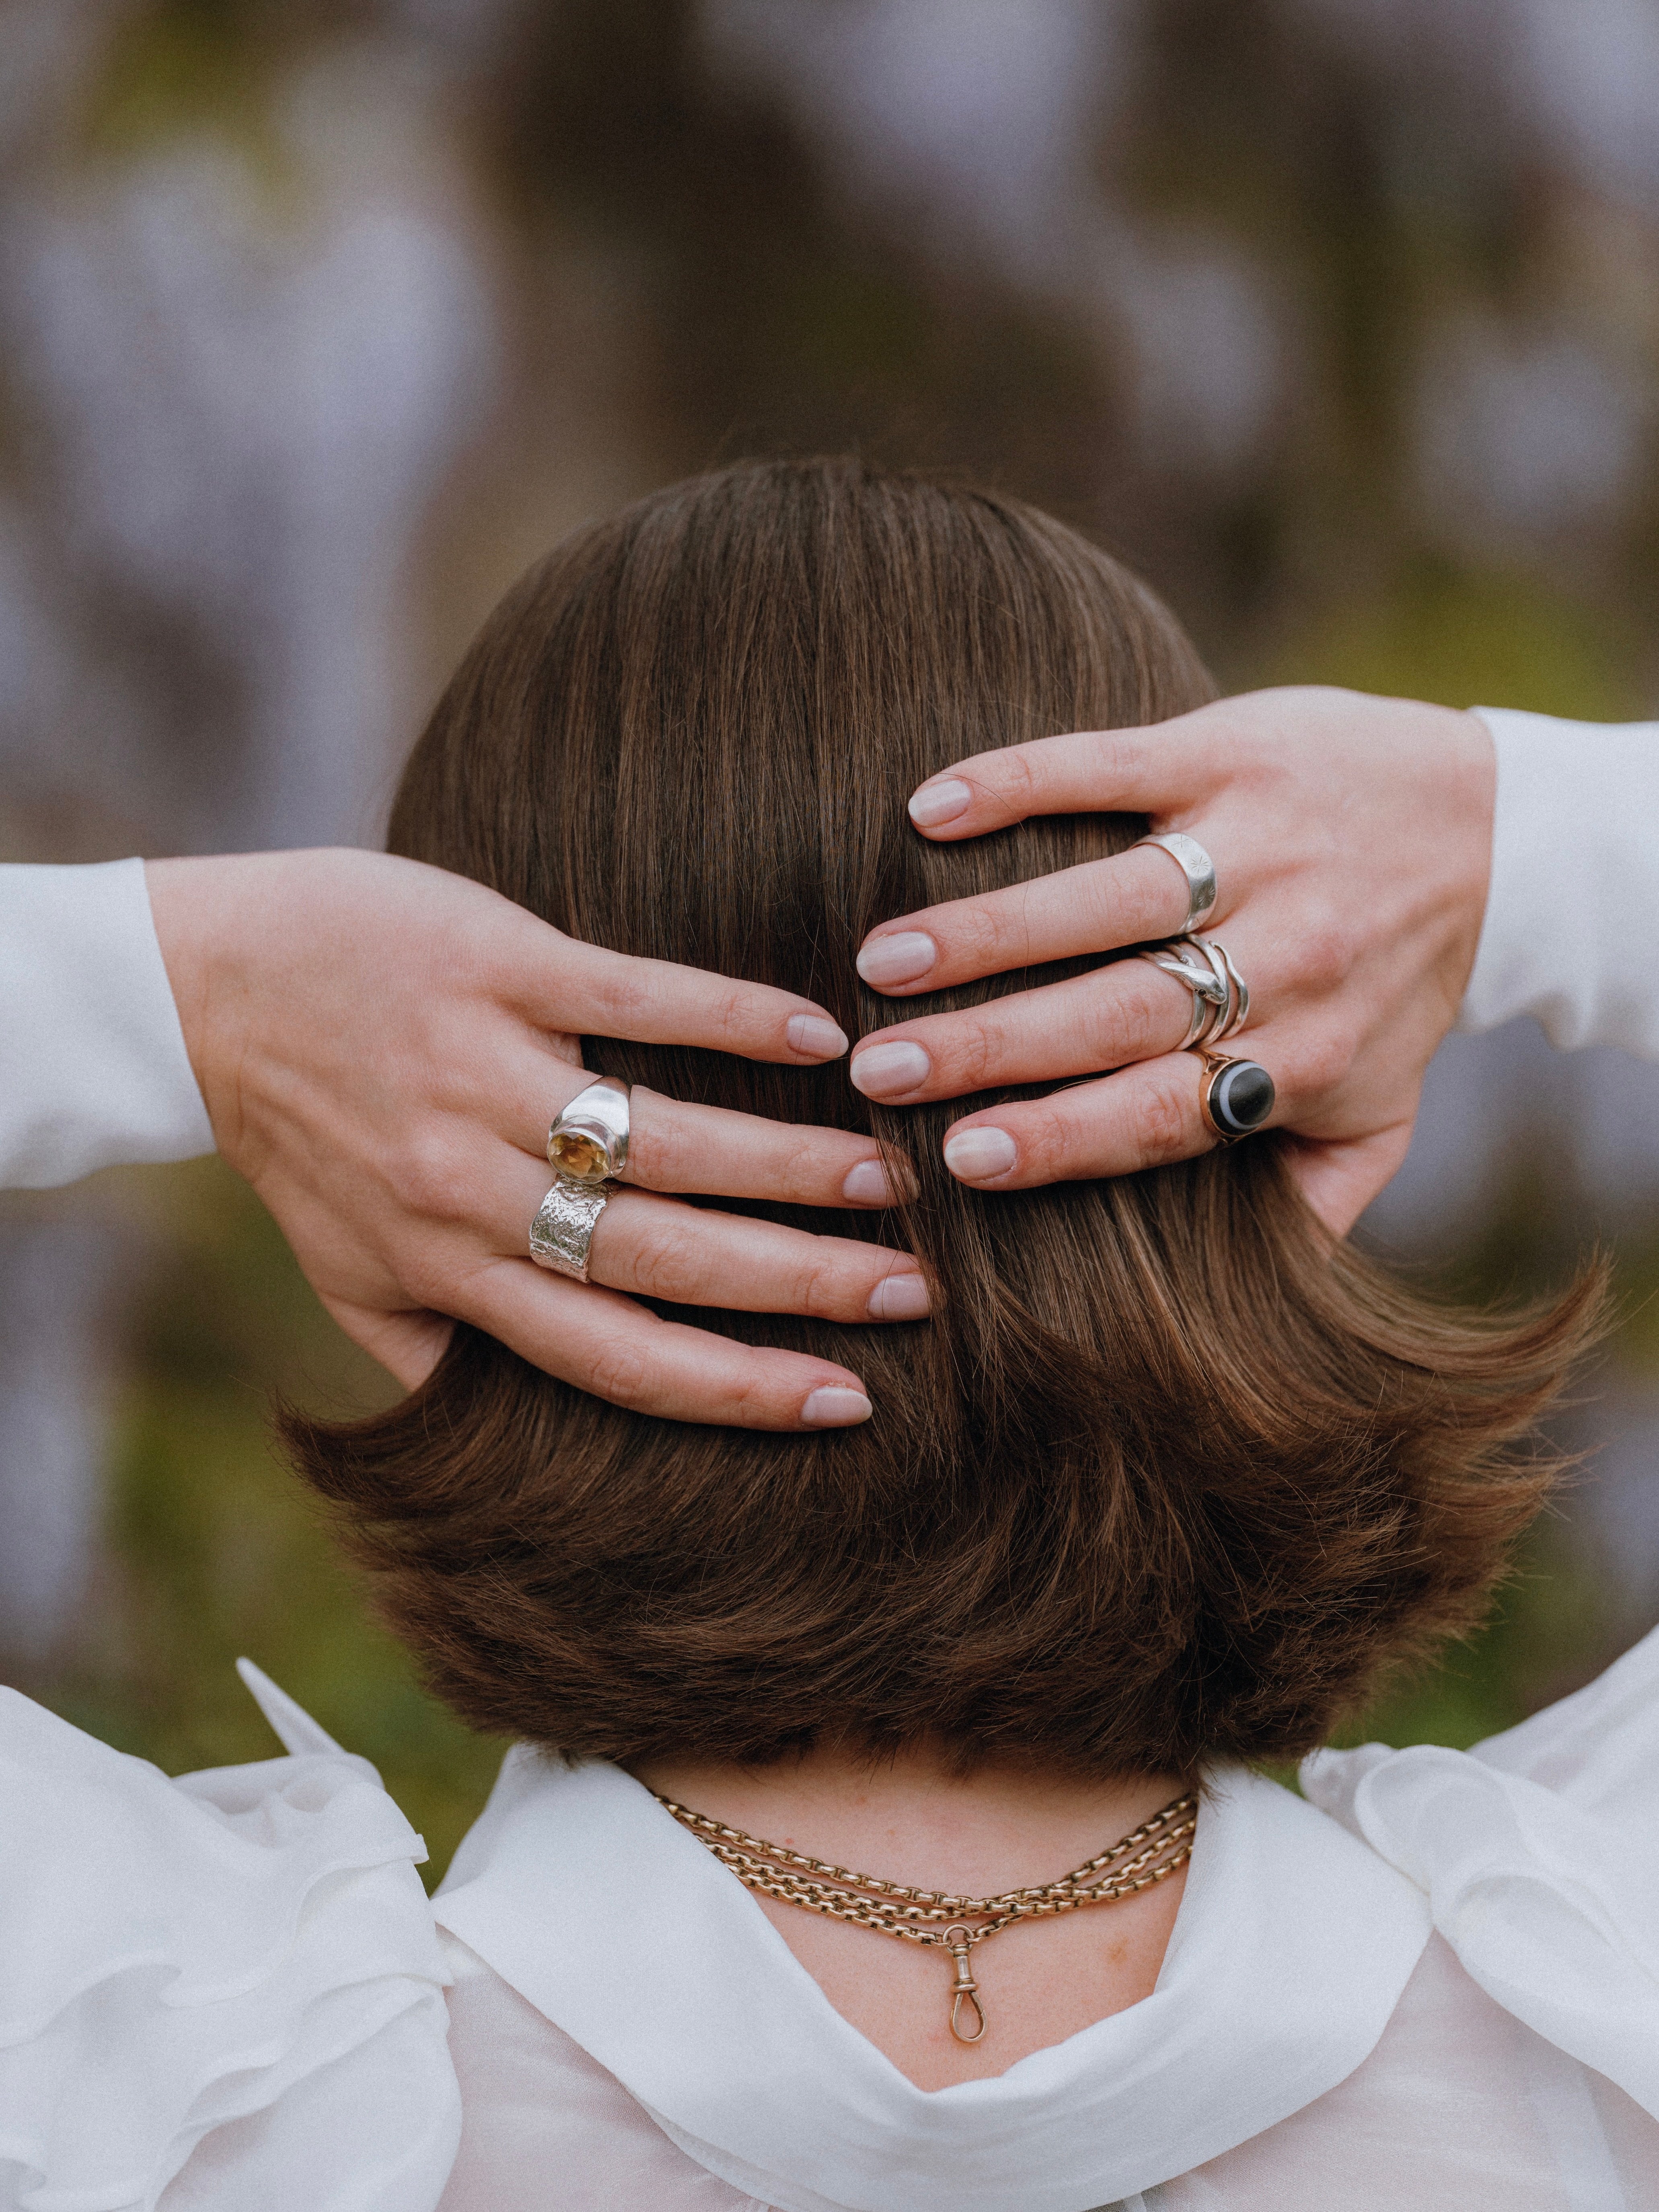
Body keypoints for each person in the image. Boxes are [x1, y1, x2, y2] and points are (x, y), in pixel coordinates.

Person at [2, 458, 1657, 2211]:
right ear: (1249, 1175)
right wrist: (1505, 840)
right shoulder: (1596, 2015)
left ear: (448, 1264)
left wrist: (194, 991)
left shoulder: (155, 2076)